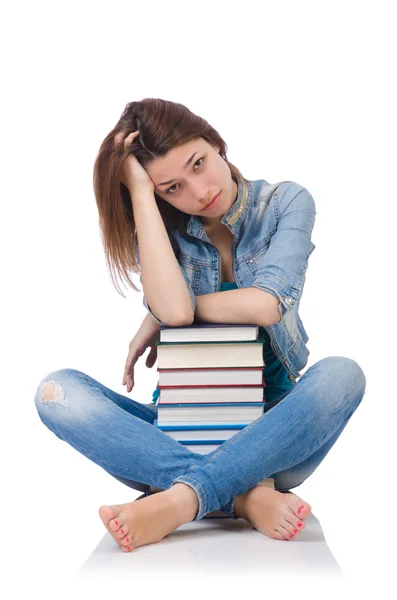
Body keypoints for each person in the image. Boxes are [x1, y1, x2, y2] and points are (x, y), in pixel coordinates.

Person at [34, 98, 366, 553]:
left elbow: (269, 304)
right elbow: (173, 312)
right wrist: (138, 191)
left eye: (199, 163)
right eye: (171, 187)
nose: (200, 191)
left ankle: (181, 498)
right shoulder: (160, 231)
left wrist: (171, 311)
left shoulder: (286, 202)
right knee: (57, 392)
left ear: (215, 142)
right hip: (180, 430)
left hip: (276, 432)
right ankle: (247, 495)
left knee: (343, 375)